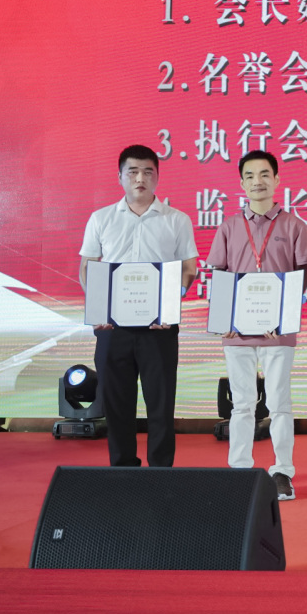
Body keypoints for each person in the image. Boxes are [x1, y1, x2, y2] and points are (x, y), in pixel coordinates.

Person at [205, 149, 307, 501]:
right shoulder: (228, 227)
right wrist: (223, 321)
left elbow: (304, 283)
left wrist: (283, 318)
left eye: (265, 174)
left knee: (279, 403)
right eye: (250, 176)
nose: (258, 181)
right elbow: (219, 277)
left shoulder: (295, 226)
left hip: (277, 333)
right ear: (241, 183)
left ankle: (283, 471)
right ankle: (240, 470)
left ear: (277, 179)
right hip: (237, 333)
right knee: (242, 404)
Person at [78, 145, 198, 468]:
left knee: (161, 404)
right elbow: (87, 267)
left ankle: (160, 473)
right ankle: (123, 471)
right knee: (116, 404)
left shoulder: (177, 220)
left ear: (157, 177)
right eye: (132, 172)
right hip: (112, 328)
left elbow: (189, 269)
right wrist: (99, 310)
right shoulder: (101, 218)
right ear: (120, 176)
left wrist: (169, 307)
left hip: (159, 328)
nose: (140, 178)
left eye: (148, 172)